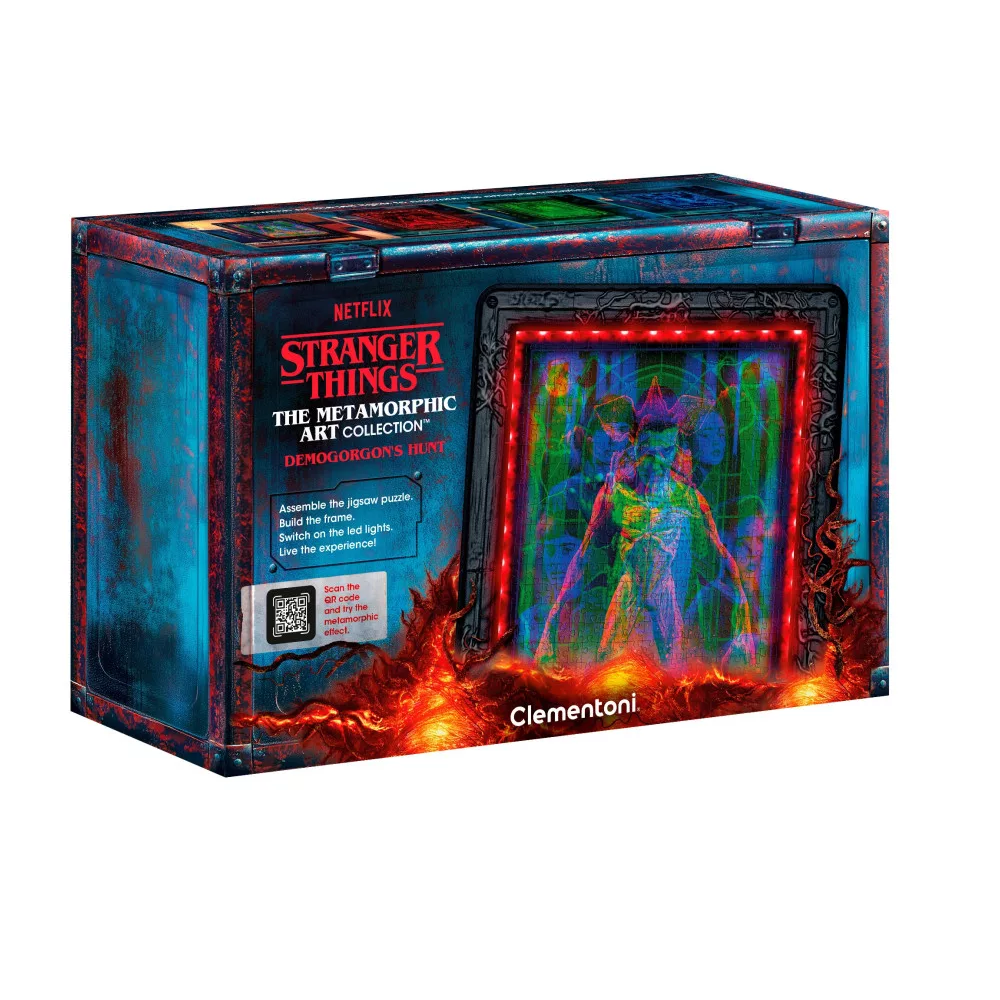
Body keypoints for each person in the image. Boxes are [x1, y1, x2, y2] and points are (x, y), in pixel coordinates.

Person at [536, 410, 755, 672]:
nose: (657, 460)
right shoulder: (617, 493)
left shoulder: (687, 497)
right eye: (650, 451)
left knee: (673, 667)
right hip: (630, 584)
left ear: (675, 451)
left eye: (666, 451)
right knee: (606, 661)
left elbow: (721, 555)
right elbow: (583, 555)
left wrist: (743, 622)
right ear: (637, 448)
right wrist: (551, 625)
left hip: (664, 587)